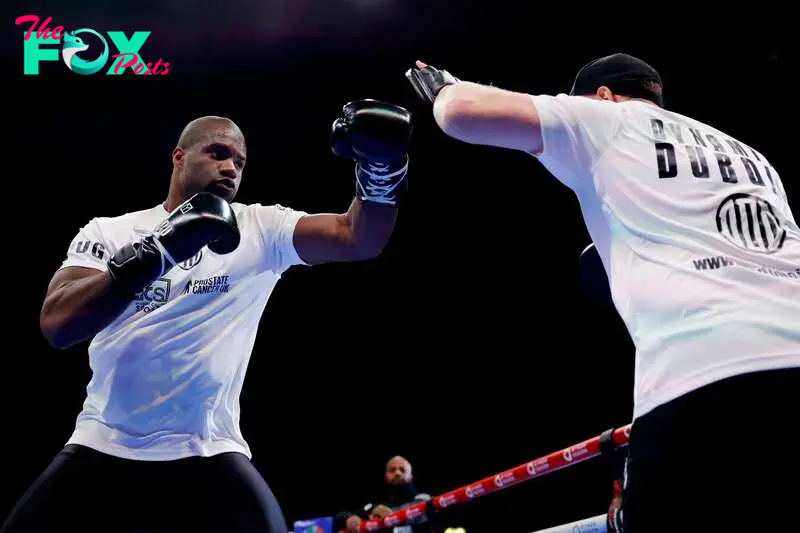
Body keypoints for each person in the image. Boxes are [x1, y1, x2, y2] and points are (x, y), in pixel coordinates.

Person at [405, 54, 800, 531]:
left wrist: (446, 87)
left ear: (604, 95)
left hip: (701, 378)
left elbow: (462, 113)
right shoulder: (751, 156)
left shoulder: (608, 118)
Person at [2, 100, 413, 533]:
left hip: (209, 448)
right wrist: (159, 252)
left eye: (239, 161)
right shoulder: (110, 231)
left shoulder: (261, 228)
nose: (231, 168)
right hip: (103, 440)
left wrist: (380, 170)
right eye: (218, 153)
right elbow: (58, 324)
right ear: (179, 157)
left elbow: (357, 239)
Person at [336, 456, 435, 533]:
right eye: (392, 470)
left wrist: (391, 521)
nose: (397, 473)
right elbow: (339, 517)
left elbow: (431, 526)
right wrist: (350, 519)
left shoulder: (424, 500)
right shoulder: (376, 506)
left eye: (402, 470)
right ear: (386, 476)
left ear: (411, 476)